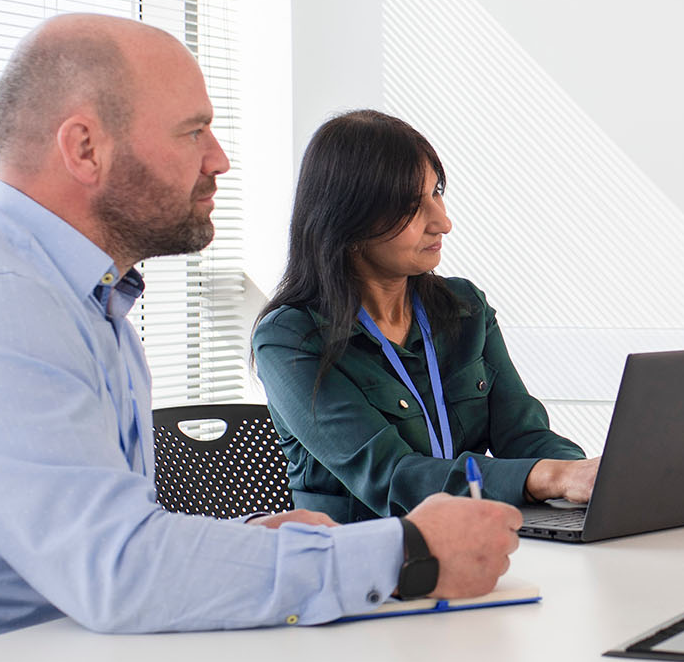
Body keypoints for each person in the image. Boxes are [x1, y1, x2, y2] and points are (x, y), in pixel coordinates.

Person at [0, 15, 523, 662]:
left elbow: (95, 542)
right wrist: (403, 554)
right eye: (192, 132)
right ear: (85, 148)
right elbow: (118, 571)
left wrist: (247, 544)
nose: (219, 160)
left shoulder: (79, 299)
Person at [252, 110, 595, 521]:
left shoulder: (465, 308)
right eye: (413, 206)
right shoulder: (290, 338)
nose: (443, 222)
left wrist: (589, 476)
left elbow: (524, 435)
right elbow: (391, 476)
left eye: (437, 192)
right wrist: (553, 477)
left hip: (469, 539)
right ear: (348, 222)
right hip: (359, 552)